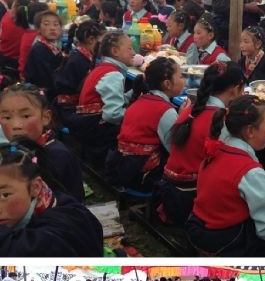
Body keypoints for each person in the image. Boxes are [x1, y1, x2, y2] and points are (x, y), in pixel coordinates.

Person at [187, 95, 265, 256]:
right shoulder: (251, 172)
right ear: (250, 131)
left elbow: (227, 199)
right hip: (222, 240)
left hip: (197, 227)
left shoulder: (216, 150)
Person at [0, 142, 103, 257]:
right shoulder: (39, 201)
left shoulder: (67, 222)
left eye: (4, 195)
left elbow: (30, 253)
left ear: (35, 187)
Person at [155, 63, 245, 226]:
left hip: (169, 189)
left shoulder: (191, 111)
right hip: (189, 198)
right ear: (234, 89)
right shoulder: (220, 121)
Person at [0, 84, 85, 201]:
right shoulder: (8, 150)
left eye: (26, 116)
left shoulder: (57, 155)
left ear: (46, 117)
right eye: (7, 117)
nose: (16, 125)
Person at [106, 57, 184, 191]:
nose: (184, 80)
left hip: (122, 167)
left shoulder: (141, 100)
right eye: (181, 76)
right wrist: (182, 119)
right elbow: (175, 149)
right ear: (167, 84)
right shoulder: (165, 111)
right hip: (142, 176)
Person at [67, 30, 136, 161]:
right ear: (115, 51)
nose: (133, 53)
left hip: (86, 124)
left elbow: (115, 100)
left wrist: (134, 92)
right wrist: (134, 112)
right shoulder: (113, 75)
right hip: (95, 130)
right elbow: (112, 115)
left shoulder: (103, 67)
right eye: (130, 48)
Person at [52, 20, 105, 121]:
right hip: (69, 109)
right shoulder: (80, 61)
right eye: (102, 42)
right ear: (91, 39)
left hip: (67, 106)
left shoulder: (80, 55)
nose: (103, 46)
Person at [23, 9, 63, 92]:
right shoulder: (39, 49)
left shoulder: (51, 45)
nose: (52, 28)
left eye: (56, 24)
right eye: (46, 24)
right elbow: (47, 79)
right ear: (38, 29)